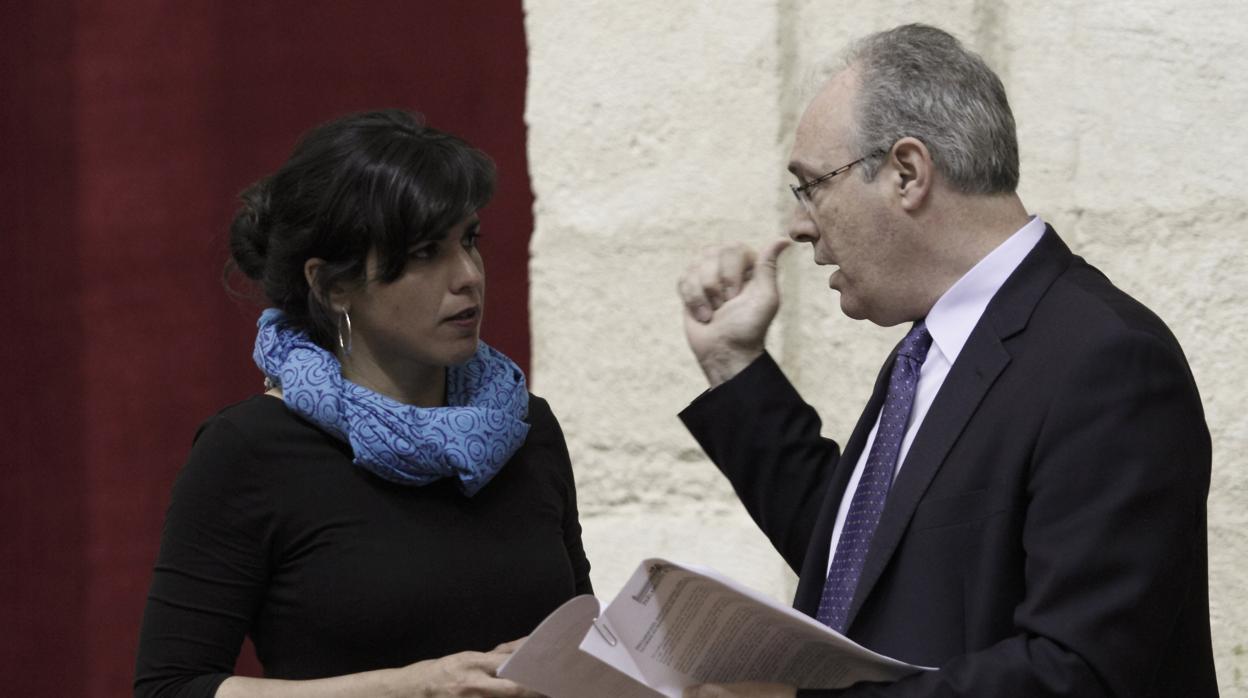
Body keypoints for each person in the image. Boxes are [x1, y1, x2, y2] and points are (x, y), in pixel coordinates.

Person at [676, 24, 1216, 697]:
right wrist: (734, 363)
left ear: (907, 172)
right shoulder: (926, 351)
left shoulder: (1109, 362)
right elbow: (869, 563)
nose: (800, 225)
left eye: (811, 186)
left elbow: (1077, 673)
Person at [134, 110, 591, 698]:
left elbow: (581, 636)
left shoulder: (527, 427)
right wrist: (412, 687)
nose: (468, 276)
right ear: (332, 285)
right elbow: (170, 688)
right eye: (427, 252)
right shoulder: (250, 451)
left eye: (469, 241)